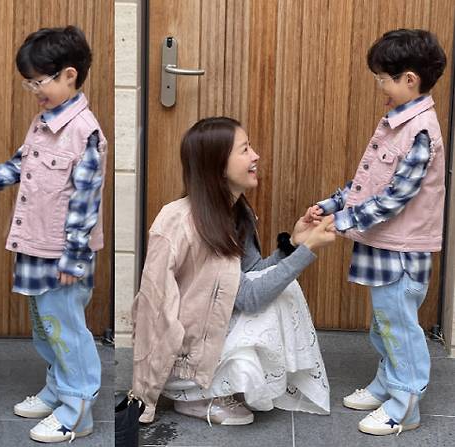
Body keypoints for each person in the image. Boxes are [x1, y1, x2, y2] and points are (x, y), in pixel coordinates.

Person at [0, 25, 107, 443]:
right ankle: (58, 388)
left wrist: (74, 258)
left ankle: (78, 408)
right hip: (36, 246)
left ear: (69, 75)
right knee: (45, 325)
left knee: (66, 329)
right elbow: (18, 167)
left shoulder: (85, 133)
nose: (34, 90)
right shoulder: (43, 123)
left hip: (63, 254)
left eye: (39, 82)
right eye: (30, 82)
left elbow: (85, 203)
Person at [132, 117, 335, 426]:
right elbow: (154, 308)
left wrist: (293, 244)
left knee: (285, 289)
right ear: (217, 165)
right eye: (244, 150)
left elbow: (251, 272)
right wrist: (145, 395)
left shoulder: (234, 212)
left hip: (209, 332)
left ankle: (218, 383)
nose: (255, 156)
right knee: (277, 293)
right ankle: (193, 396)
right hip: (182, 356)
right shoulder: (180, 221)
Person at [310, 28, 447, 436]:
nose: (379, 87)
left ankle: (405, 404)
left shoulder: (420, 131)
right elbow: (368, 184)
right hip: (383, 245)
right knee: (384, 324)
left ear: (410, 79)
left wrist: (344, 221)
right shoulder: (397, 122)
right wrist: (334, 203)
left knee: (399, 328)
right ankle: (387, 384)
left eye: (383, 79)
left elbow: (395, 197)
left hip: (401, 251)